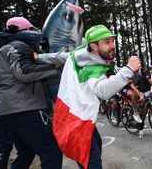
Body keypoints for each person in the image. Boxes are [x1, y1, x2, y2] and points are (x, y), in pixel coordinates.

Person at [53, 25, 141, 169]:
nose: (113, 45)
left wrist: (40, 57)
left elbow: (59, 56)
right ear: (93, 46)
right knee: (92, 162)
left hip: (79, 118)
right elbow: (102, 91)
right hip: (76, 121)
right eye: (107, 42)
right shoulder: (90, 66)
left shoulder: (81, 55)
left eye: (113, 41)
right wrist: (128, 70)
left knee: (96, 146)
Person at [0, 17, 63, 168]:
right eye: (32, 29)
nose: (35, 32)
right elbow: (23, 73)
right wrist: (53, 66)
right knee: (51, 148)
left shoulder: (4, 48)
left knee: (27, 151)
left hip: (6, 109)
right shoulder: (19, 45)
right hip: (23, 106)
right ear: (24, 31)